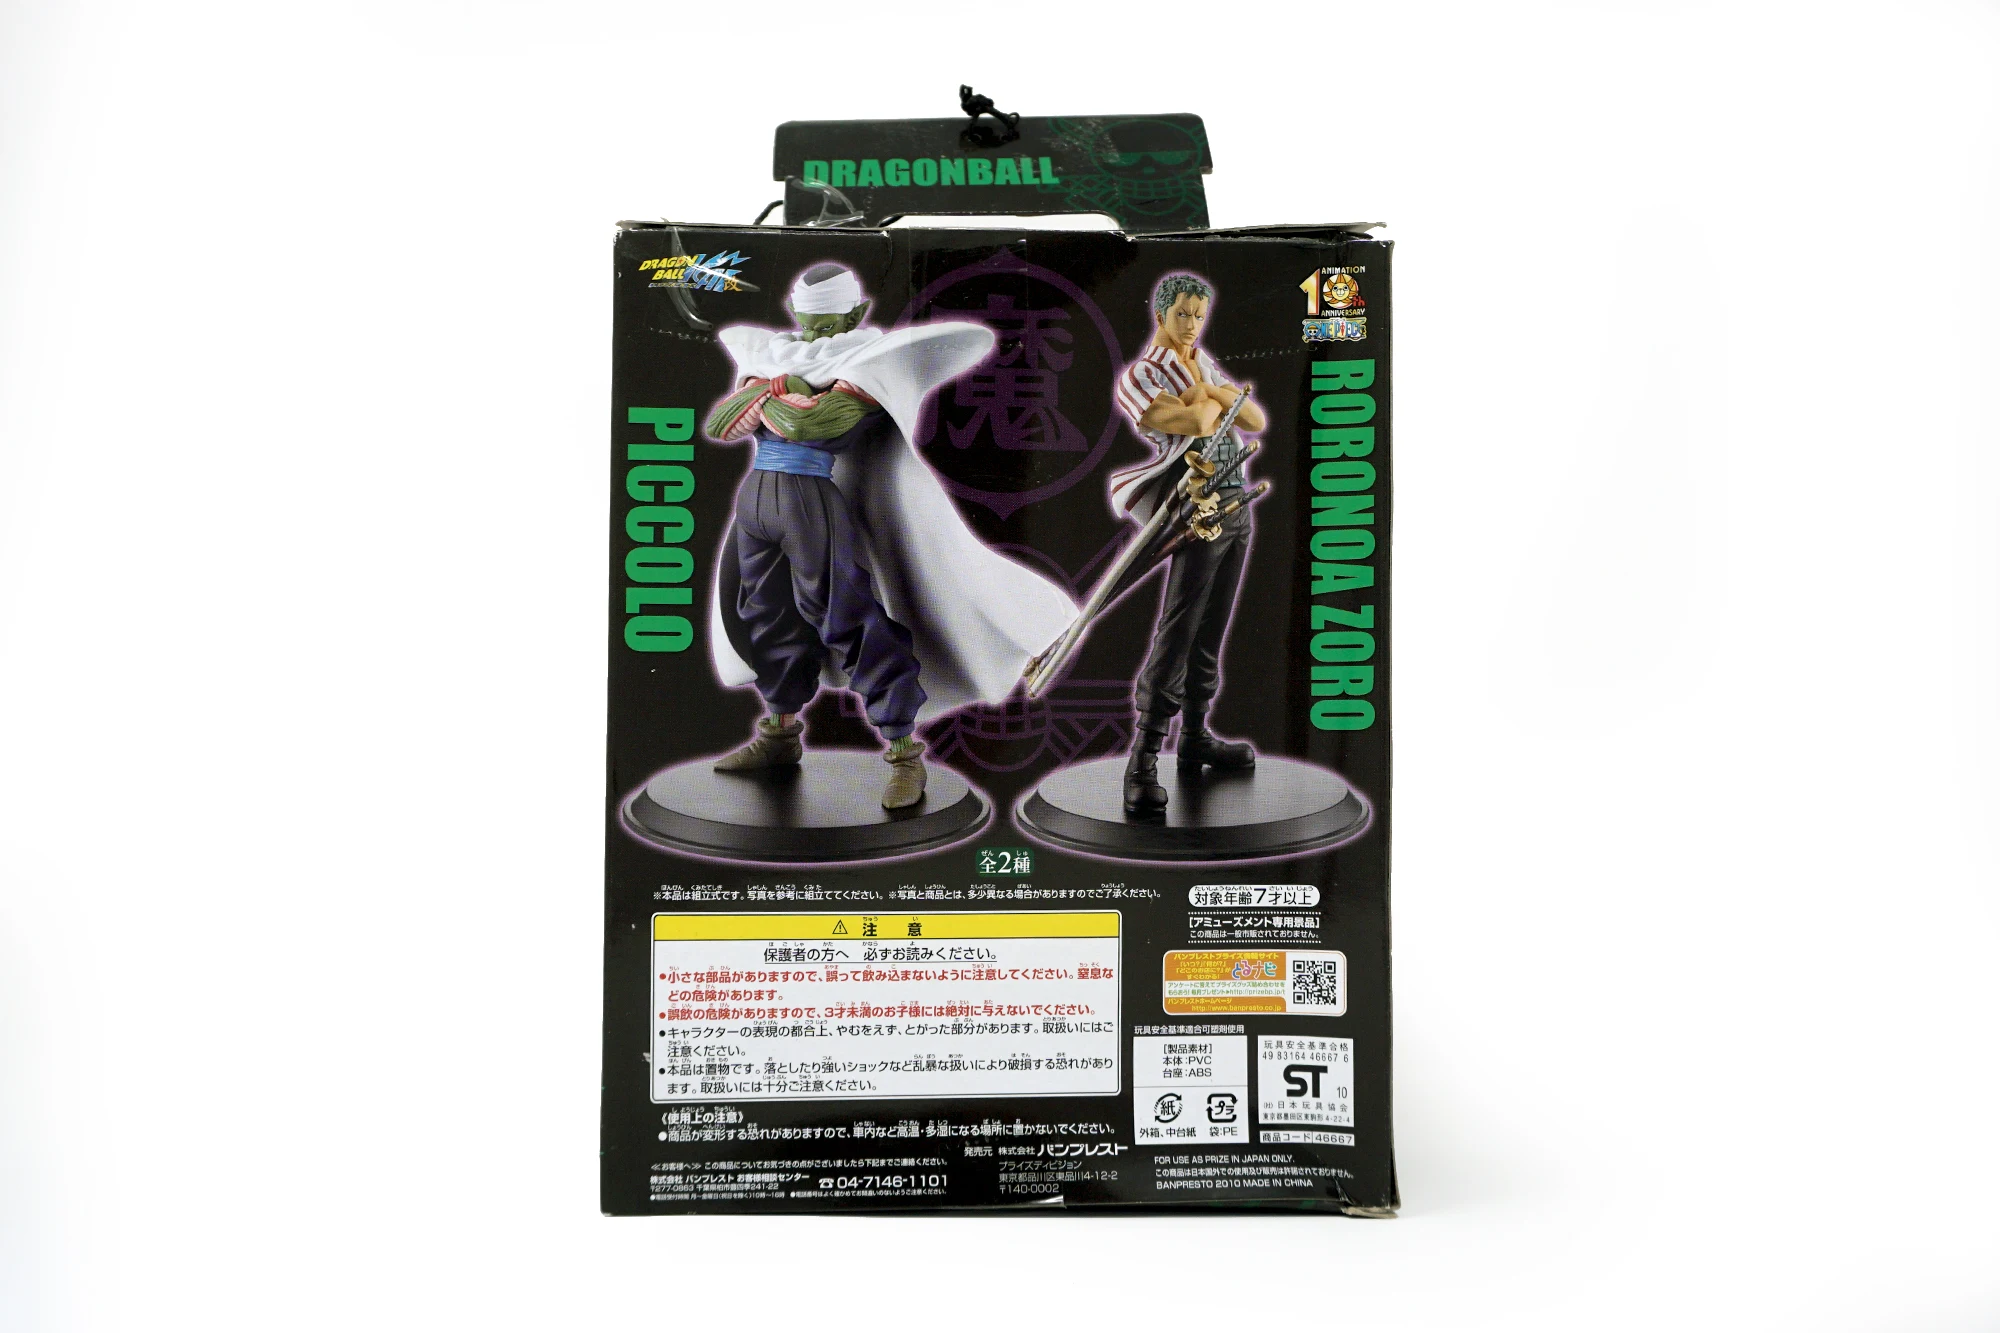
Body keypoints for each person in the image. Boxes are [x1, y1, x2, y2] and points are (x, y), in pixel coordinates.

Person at [702, 263, 1076, 809]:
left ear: (855, 314)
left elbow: (816, 425)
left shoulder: (870, 362)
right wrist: (791, 388)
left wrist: (764, 394)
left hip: (809, 498)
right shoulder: (777, 356)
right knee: (766, 613)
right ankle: (779, 734)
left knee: (845, 616)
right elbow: (719, 424)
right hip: (756, 501)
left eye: (827, 322)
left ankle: (903, 751)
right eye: (807, 321)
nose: (814, 333)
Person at [1108, 273, 1268, 816]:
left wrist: (1210, 389)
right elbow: (1200, 423)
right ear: (1161, 314)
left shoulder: (1202, 363)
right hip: (1194, 504)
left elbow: (1252, 418)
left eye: (1199, 315)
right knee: (1180, 626)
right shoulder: (1142, 374)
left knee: (1212, 625)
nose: (1192, 324)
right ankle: (1143, 759)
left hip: (1236, 500)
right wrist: (1216, 400)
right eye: (1183, 314)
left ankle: (1195, 736)